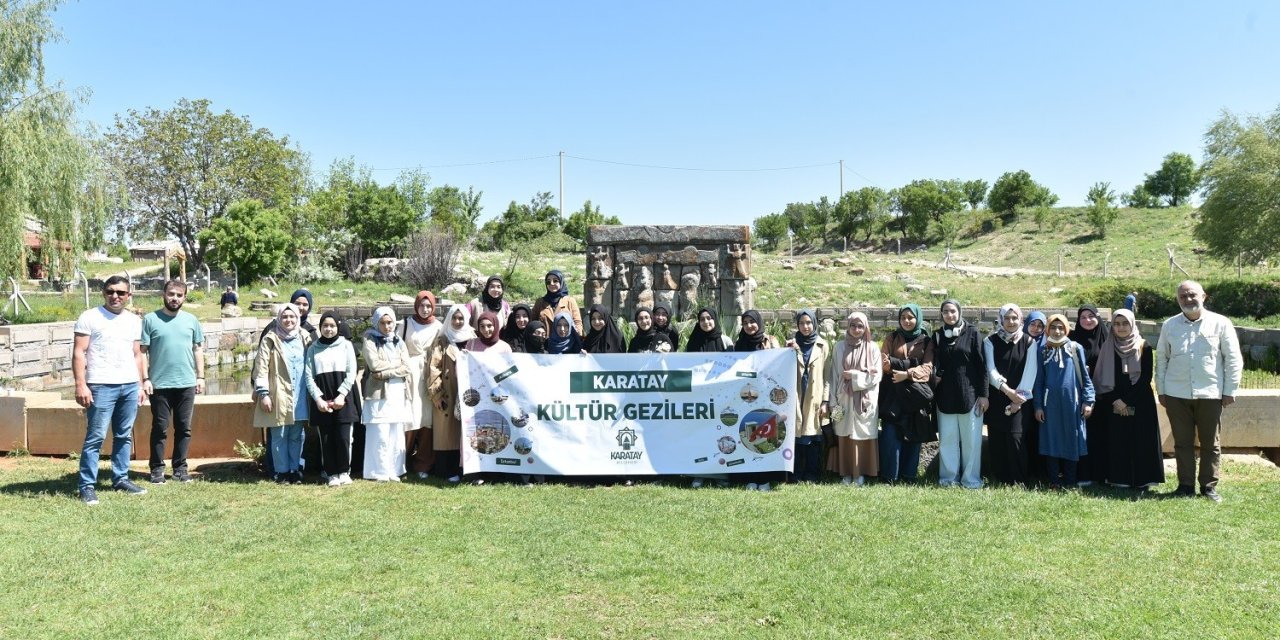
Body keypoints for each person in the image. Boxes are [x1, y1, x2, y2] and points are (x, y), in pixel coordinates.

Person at [1155, 280, 1242, 502]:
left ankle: (1208, 486)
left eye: (1192, 295)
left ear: (1204, 296)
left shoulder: (1221, 323)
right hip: (1176, 394)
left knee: (1210, 443)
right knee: (1182, 443)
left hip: (1210, 393)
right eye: (1183, 296)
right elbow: (1162, 359)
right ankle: (1185, 486)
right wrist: (1162, 390)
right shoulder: (1170, 325)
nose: (1188, 299)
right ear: (1177, 300)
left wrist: (1230, 390)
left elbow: (1233, 359)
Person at [72, 275, 148, 505]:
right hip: (101, 385)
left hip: (129, 385)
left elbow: (137, 354)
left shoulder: (134, 321)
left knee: (124, 435)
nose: (115, 296)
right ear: (103, 293)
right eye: (110, 291)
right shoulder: (90, 317)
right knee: (95, 437)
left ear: (128, 295)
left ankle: (121, 479)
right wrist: (81, 384)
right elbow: (79, 353)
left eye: (120, 292)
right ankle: (87, 485)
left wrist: (140, 384)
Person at [140, 279, 205, 485]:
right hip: (159, 384)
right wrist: (145, 379)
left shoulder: (191, 320)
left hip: (186, 383)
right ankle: (157, 469)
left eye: (179, 295)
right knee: (160, 427)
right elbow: (142, 352)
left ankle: (180, 469)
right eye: (171, 294)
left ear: (184, 297)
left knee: (184, 427)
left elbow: (198, 349)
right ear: (164, 295)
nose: (174, 298)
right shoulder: (150, 319)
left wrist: (201, 376)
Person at [1094, 309, 1164, 491]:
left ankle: (1143, 480)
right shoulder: (1107, 347)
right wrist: (1115, 400)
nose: (1121, 327)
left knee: (1142, 441)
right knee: (1118, 440)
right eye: (1117, 324)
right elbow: (1101, 378)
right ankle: (1119, 479)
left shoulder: (1143, 346)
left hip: (1140, 401)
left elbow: (1145, 377)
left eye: (1125, 323)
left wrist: (1126, 401)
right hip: (1114, 401)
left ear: (1132, 324)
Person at [1034, 314, 1095, 490]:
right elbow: (1039, 380)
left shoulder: (1075, 348)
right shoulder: (1043, 350)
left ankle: (1070, 480)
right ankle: (1054, 480)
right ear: (1048, 330)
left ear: (1066, 329)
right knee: (1051, 440)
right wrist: (1038, 406)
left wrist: (1088, 400)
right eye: (1053, 327)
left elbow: (1085, 377)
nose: (1057, 331)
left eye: (1061, 327)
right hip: (1050, 405)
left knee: (1071, 439)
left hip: (1072, 404)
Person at [253, 304, 312, 484]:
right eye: (285, 317)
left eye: (292, 316)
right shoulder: (270, 339)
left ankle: (295, 470)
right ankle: (281, 471)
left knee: (297, 434)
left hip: (300, 392)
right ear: (279, 319)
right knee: (279, 434)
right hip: (278, 392)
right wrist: (263, 393)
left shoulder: (305, 336)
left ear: (298, 318)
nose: (288, 320)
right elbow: (261, 367)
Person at [932, 299, 988, 489]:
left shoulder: (973, 333)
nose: (949, 315)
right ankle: (948, 479)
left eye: (953, 311)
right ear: (941, 314)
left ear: (959, 312)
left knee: (971, 441)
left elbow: (982, 366)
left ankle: (970, 479)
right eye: (945, 312)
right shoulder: (937, 335)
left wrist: (984, 395)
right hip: (945, 396)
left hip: (970, 395)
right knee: (947, 440)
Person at [982, 304, 1038, 487]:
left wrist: (1018, 399)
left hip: (1022, 399)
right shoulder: (990, 341)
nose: (1011, 322)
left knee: (1016, 437)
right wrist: (1007, 391)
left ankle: (1019, 480)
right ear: (1001, 319)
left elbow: (1030, 372)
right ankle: (1001, 478)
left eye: (1014, 318)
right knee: (997, 438)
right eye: (1007, 318)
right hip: (998, 396)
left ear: (1021, 319)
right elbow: (990, 370)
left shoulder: (1029, 342)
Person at [878, 303, 934, 484]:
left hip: (915, 396)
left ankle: (909, 476)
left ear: (918, 318)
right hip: (893, 395)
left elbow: (927, 369)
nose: (907, 321)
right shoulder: (892, 337)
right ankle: (890, 476)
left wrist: (906, 374)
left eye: (911, 317)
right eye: (903, 318)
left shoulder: (927, 341)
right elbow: (884, 364)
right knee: (890, 434)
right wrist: (913, 364)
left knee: (913, 435)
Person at [827, 311, 881, 486]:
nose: (856, 330)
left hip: (864, 400)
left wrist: (855, 376)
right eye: (853, 326)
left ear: (865, 328)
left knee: (861, 434)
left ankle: (860, 473)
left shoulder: (872, 348)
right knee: (843, 434)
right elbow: (834, 375)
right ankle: (846, 472)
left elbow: (876, 376)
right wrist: (832, 400)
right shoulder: (839, 347)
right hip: (842, 398)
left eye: (860, 326)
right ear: (848, 327)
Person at [305, 312, 358, 487]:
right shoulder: (313, 348)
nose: (329, 329)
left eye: (332, 326)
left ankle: (344, 471)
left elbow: (351, 372)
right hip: (322, 400)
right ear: (320, 327)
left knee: (344, 438)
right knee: (326, 439)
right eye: (325, 326)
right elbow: (309, 376)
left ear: (338, 327)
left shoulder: (346, 345)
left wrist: (342, 395)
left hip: (343, 399)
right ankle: (331, 473)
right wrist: (318, 399)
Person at [361, 307, 413, 482]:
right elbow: (374, 364)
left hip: (397, 391)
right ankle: (378, 471)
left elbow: (407, 367)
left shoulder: (399, 341)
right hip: (378, 393)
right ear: (377, 323)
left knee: (395, 432)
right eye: (382, 323)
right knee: (380, 432)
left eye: (390, 322)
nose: (387, 326)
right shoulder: (370, 339)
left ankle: (394, 470)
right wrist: (396, 365)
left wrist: (386, 373)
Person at [428, 305, 476, 482]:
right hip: (448, 390)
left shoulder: (473, 338)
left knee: (466, 430)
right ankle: (446, 470)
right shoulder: (442, 340)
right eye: (454, 318)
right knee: (447, 432)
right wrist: (436, 394)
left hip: (468, 390)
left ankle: (465, 469)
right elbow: (434, 368)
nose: (457, 321)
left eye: (461, 318)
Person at [734, 309, 781, 492]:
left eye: (752, 322)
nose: (749, 326)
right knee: (748, 436)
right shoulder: (739, 344)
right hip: (745, 397)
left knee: (765, 437)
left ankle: (764, 478)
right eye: (745, 323)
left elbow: (781, 364)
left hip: (766, 398)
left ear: (759, 322)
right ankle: (751, 478)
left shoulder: (771, 341)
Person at [401, 291, 441, 479]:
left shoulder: (439, 327)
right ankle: (402, 461)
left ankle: (423, 464)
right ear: (416, 306)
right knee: (409, 418)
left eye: (428, 306)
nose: (425, 309)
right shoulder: (405, 324)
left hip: (429, 374)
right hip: (410, 376)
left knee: (428, 420)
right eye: (421, 305)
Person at [787, 309, 829, 483]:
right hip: (796, 396)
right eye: (802, 323)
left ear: (814, 323)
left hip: (814, 397)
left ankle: (812, 474)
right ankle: (796, 473)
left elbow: (827, 376)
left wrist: (825, 400)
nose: (805, 326)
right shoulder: (791, 344)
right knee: (796, 437)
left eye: (809, 323)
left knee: (813, 437)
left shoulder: (822, 345)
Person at [1070, 303, 1110, 485]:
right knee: (1083, 434)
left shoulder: (1108, 339)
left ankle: (1103, 474)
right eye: (1083, 317)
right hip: (1079, 396)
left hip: (1104, 394)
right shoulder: (1072, 339)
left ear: (1098, 317)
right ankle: (1084, 474)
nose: (1087, 320)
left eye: (1091, 316)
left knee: (1102, 435)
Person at [531, 270, 582, 335]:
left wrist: (578, 337)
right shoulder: (540, 302)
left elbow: (577, 322)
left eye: (555, 281)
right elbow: (533, 323)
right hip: (545, 340)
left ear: (561, 282)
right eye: (548, 282)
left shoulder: (570, 301)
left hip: (566, 340)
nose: (551, 283)